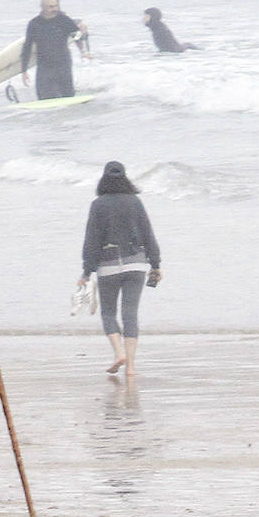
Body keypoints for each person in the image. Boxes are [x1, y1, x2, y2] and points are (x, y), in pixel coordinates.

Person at [79, 161, 161, 377]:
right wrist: (156, 264)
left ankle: (118, 354)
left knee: (108, 312)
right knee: (130, 314)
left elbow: (92, 240)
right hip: (136, 264)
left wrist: (86, 272)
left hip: (107, 267)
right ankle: (131, 367)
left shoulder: (98, 205)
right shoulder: (135, 202)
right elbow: (148, 233)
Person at [20, 0, 89, 100]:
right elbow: (27, 47)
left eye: (56, 6)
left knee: (68, 99)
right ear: (43, 7)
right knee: (44, 100)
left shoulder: (63, 20)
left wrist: (83, 51)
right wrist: (24, 71)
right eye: (51, 7)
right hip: (44, 68)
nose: (55, 9)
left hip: (63, 66)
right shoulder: (34, 24)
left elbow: (76, 36)